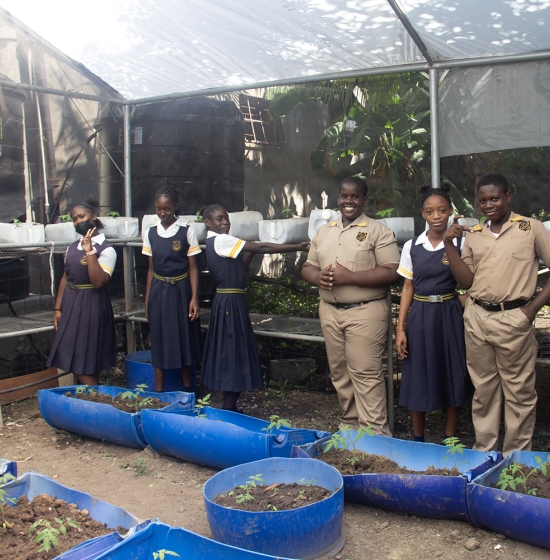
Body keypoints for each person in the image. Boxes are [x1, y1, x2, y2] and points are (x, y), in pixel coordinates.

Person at [443, 173, 550, 455]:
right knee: (484, 390)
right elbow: (465, 281)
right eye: (483, 200)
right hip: (477, 319)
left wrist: (531, 310)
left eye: (495, 198)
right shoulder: (474, 234)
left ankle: (516, 458)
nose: (489, 205)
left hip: (514, 319)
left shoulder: (530, 228)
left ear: (508, 197)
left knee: (519, 392)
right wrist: (449, 244)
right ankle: (484, 451)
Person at [302, 177, 400, 436]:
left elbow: (393, 272)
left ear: (364, 200)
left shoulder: (378, 230)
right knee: (340, 374)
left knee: (365, 374)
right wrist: (317, 277)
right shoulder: (324, 231)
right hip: (330, 311)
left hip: (365, 311)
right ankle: (349, 429)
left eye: (355, 196)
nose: (349, 201)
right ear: (338, 198)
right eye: (344, 196)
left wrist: (350, 277)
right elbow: (308, 266)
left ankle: (376, 437)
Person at [201, 205, 309, 412]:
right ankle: (228, 406)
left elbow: (239, 270)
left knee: (230, 351)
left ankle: (229, 403)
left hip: (229, 301)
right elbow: (262, 249)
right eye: (219, 219)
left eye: (226, 219)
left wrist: (248, 253)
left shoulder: (216, 241)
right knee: (233, 352)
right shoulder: (222, 240)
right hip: (230, 304)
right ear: (208, 223)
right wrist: (298, 246)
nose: (225, 223)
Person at [395, 185, 471, 442]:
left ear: (450, 211)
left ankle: (450, 439)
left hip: (450, 314)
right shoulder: (412, 246)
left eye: (442, 210)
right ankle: (418, 438)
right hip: (421, 315)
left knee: (453, 370)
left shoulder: (462, 242)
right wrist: (400, 328)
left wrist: (465, 298)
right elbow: (408, 286)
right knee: (418, 371)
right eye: (430, 211)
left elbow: (478, 277)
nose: (437, 216)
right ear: (423, 214)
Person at [48, 199, 118, 386]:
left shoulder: (106, 249)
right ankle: (94, 397)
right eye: (74, 219)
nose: (78, 222)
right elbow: (65, 277)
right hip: (71, 302)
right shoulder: (72, 247)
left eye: (81, 216)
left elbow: (98, 282)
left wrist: (90, 252)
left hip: (92, 305)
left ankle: (97, 396)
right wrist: (58, 308)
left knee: (87, 358)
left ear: (93, 217)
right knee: (67, 351)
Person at [142, 185, 201, 393]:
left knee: (185, 338)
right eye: (158, 208)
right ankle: (158, 393)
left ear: (175, 206)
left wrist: (194, 298)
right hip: (159, 290)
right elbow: (150, 270)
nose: (162, 213)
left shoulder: (187, 232)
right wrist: (148, 301)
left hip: (181, 290)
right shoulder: (150, 233)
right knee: (159, 339)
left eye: (167, 208)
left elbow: (193, 267)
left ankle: (188, 392)